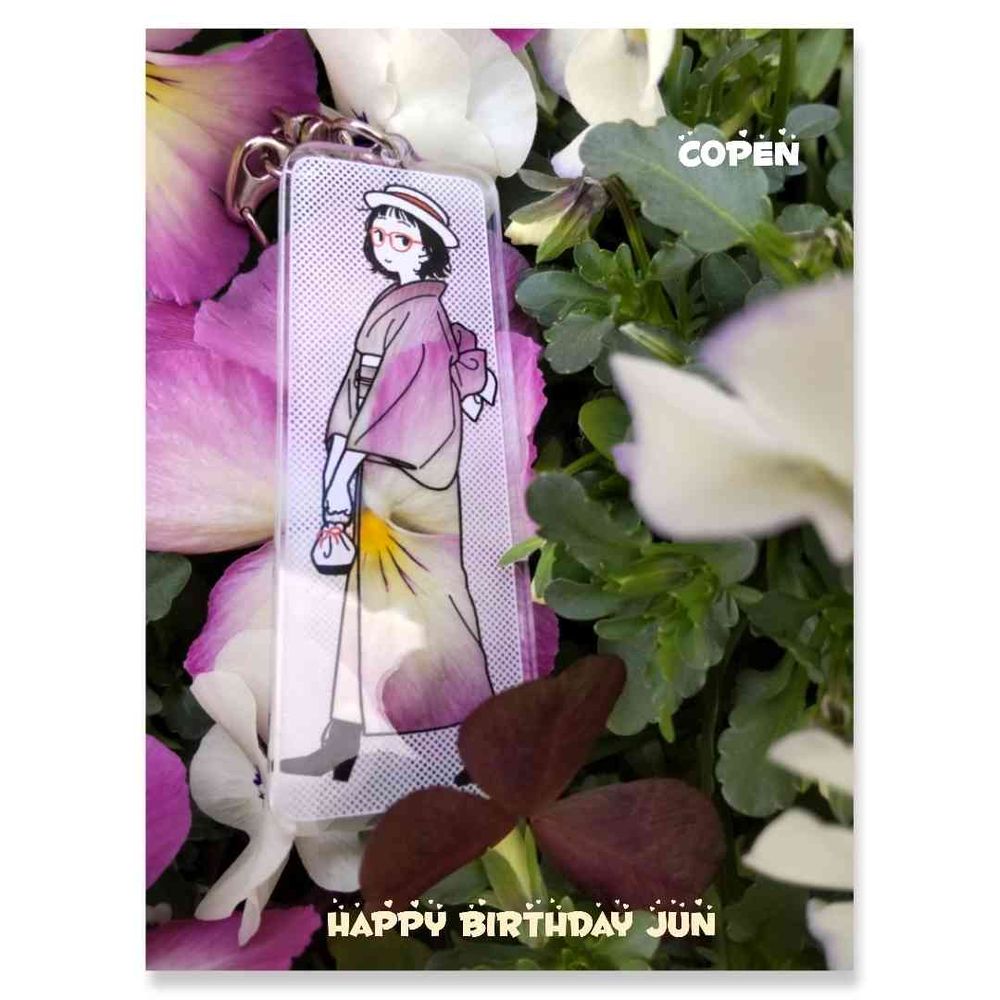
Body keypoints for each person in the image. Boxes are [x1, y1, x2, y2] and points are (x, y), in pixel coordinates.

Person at [282, 185, 497, 781]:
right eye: (380, 235)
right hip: (380, 455)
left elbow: (401, 392)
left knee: (442, 607)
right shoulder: (397, 302)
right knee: (357, 616)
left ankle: (483, 737)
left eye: (400, 238)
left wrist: (347, 454)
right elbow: (364, 381)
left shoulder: (420, 312)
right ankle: (345, 738)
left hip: (406, 469)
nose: (385, 245)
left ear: (426, 249)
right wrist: (341, 440)